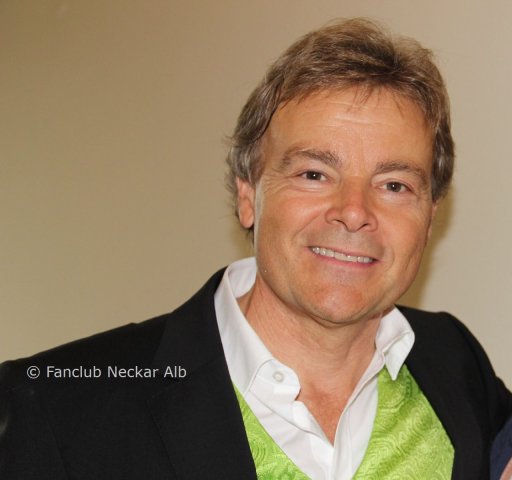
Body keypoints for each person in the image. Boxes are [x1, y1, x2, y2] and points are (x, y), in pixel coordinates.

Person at [0, 18, 510, 480]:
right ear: (248, 196)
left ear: (430, 216)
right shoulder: (52, 407)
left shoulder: (453, 361)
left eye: (394, 185)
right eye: (314, 174)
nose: (354, 211)